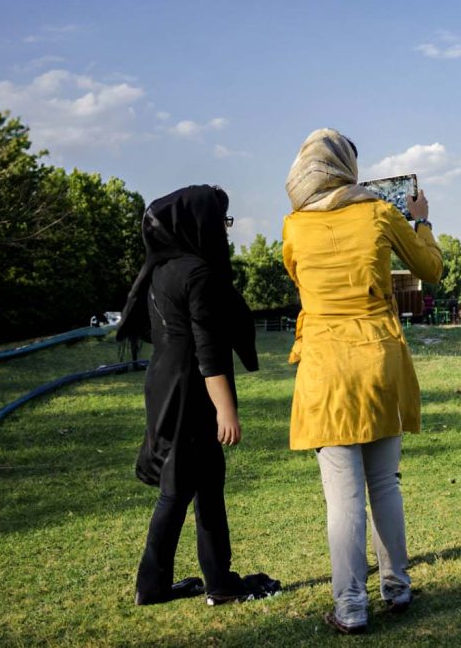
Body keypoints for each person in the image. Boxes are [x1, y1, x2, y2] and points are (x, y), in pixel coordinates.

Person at [282, 129, 443, 634]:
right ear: (348, 168)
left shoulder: (292, 227)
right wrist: (421, 219)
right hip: (378, 360)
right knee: (384, 483)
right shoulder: (379, 211)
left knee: (343, 496)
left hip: (325, 371)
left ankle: (350, 606)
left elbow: (303, 283)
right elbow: (429, 268)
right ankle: (397, 585)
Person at [117, 185, 280, 606]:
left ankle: (204, 581)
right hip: (192, 391)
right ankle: (188, 584)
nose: (224, 230)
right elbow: (209, 352)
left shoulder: (161, 269)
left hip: (164, 384)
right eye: (221, 222)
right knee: (180, 488)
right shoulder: (198, 273)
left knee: (202, 481)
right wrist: (227, 410)